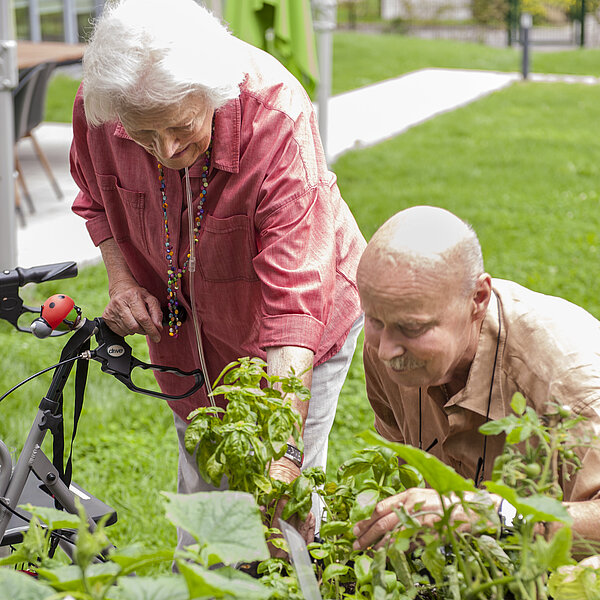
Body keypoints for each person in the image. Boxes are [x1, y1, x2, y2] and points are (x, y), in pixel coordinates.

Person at [70, 0, 365, 540]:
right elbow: (94, 199)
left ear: (213, 92)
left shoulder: (274, 114)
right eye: (142, 136)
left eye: (181, 128)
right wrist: (123, 280)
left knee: (283, 516)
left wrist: (286, 446)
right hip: (186, 338)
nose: (165, 151)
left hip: (299, 328)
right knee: (208, 509)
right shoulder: (105, 102)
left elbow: (295, 303)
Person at [353, 205, 600, 551]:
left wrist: (493, 516)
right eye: (375, 320)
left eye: (412, 327)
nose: (385, 351)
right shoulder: (388, 349)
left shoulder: (570, 381)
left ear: (477, 300)